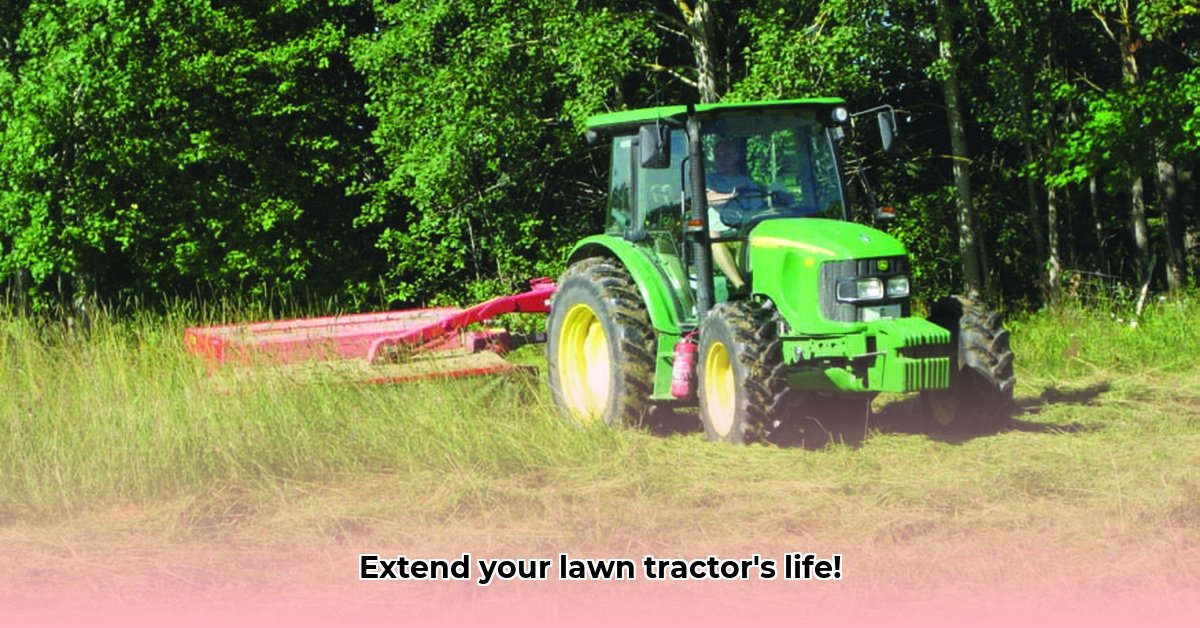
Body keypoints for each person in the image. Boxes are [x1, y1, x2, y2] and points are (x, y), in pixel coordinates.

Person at [705, 138, 758, 291]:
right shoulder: (709, 180)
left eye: (726, 155)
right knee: (712, 234)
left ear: (736, 157)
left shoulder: (747, 182)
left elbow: (756, 208)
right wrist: (730, 196)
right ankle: (739, 285)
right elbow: (708, 198)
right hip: (720, 231)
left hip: (743, 229)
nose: (722, 159)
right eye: (718, 156)